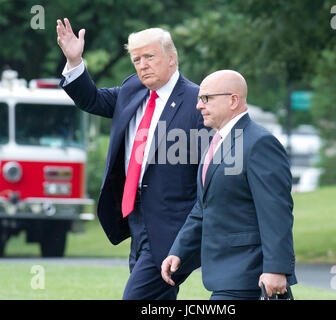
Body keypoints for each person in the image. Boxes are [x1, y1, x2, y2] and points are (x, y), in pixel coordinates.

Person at [56, 18, 207, 300]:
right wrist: (75, 60)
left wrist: (194, 232)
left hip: (173, 225)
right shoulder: (132, 90)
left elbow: (209, 174)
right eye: (136, 59)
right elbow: (92, 100)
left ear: (172, 59)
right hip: (134, 217)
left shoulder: (198, 102)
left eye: (150, 56)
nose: (142, 64)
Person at [161, 70, 297, 300]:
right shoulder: (215, 142)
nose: (199, 106)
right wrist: (179, 250)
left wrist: (276, 268)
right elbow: (203, 207)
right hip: (226, 276)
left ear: (233, 100)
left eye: (206, 98)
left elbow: (276, 212)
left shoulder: (260, 143)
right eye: (199, 99)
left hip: (249, 276)